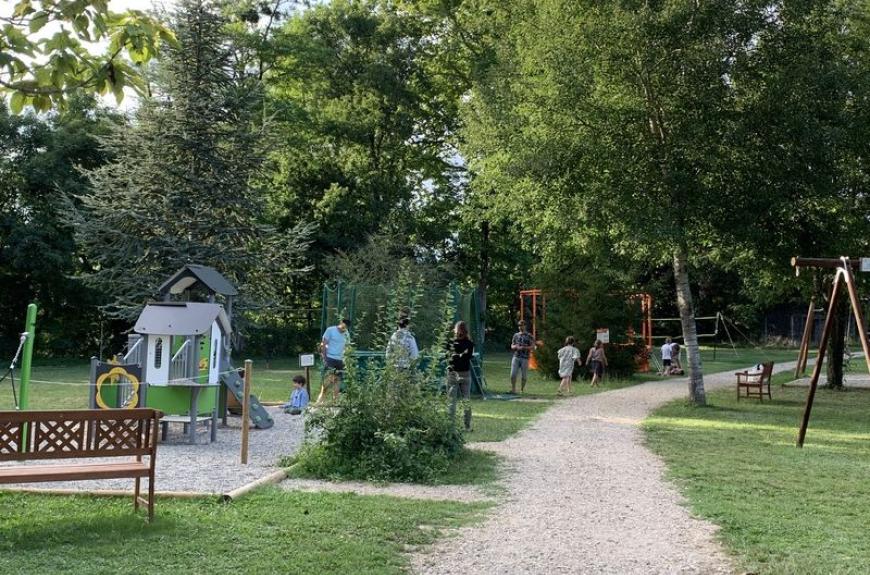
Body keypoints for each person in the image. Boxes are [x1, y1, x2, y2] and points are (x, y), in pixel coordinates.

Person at [447, 320, 474, 431]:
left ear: (455, 330)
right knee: (466, 400)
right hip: (465, 374)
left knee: (451, 401)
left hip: (453, 374)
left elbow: (447, 357)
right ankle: (467, 426)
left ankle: (450, 426)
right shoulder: (470, 344)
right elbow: (469, 357)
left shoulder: (450, 343)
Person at [319, 318, 351, 404]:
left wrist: (345, 359)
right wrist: (324, 358)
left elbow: (347, 347)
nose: (344, 329)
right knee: (328, 380)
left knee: (338, 380)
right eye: (343, 327)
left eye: (346, 328)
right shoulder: (330, 330)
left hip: (340, 360)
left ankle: (335, 401)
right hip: (330, 358)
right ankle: (321, 400)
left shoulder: (347, 334)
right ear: (340, 323)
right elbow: (323, 344)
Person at [510, 320, 535, 393]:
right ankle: (513, 389)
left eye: (522, 325)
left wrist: (524, 348)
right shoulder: (516, 335)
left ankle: (522, 389)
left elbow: (533, 346)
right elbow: (512, 345)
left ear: (525, 326)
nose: (520, 327)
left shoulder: (529, 335)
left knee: (524, 376)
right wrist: (515, 347)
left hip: (525, 358)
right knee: (513, 374)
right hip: (516, 357)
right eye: (519, 325)